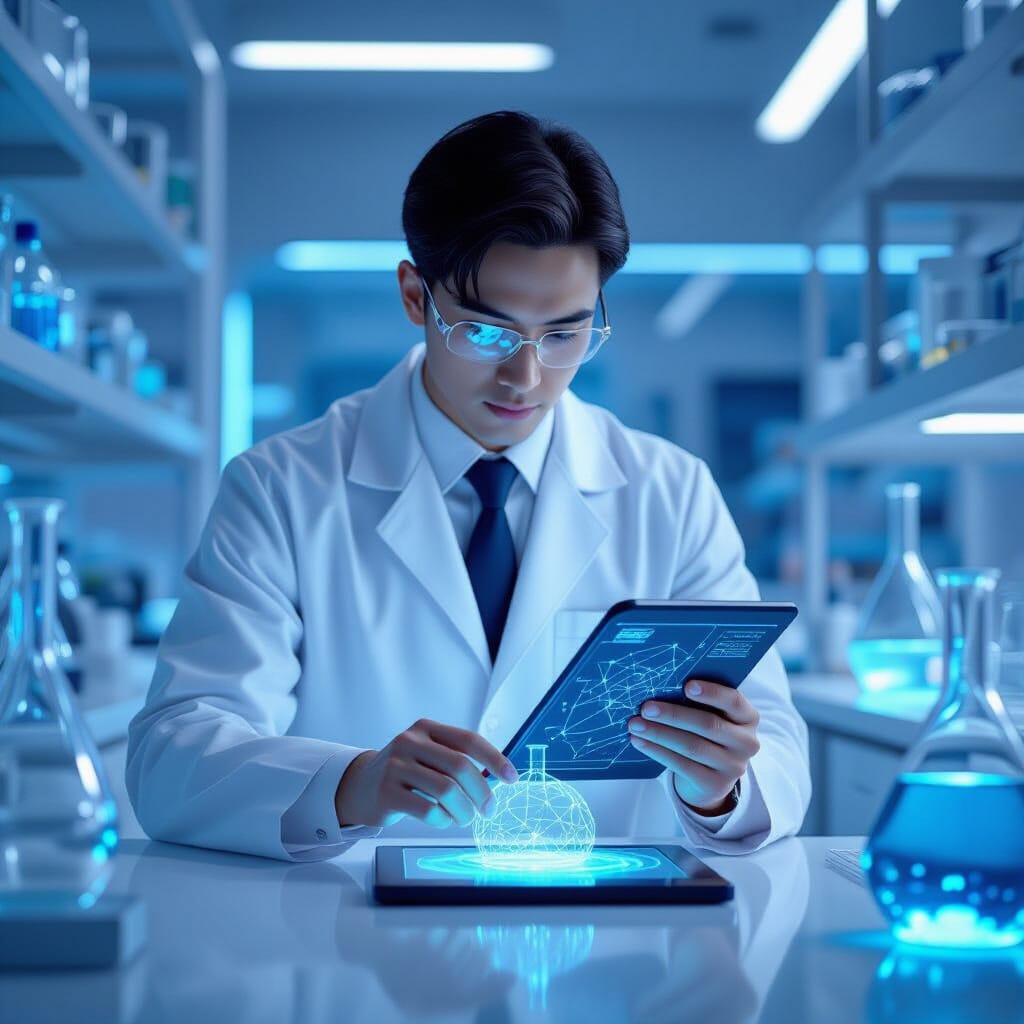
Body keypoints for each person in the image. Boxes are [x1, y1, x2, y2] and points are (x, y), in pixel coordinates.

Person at [126, 110, 810, 863]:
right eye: (485, 331)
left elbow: (775, 743)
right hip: (349, 924)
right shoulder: (282, 488)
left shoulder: (670, 492)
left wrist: (720, 785)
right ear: (414, 296)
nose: (525, 377)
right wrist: (354, 783)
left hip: (604, 923)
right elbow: (172, 758)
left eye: (564, 334)